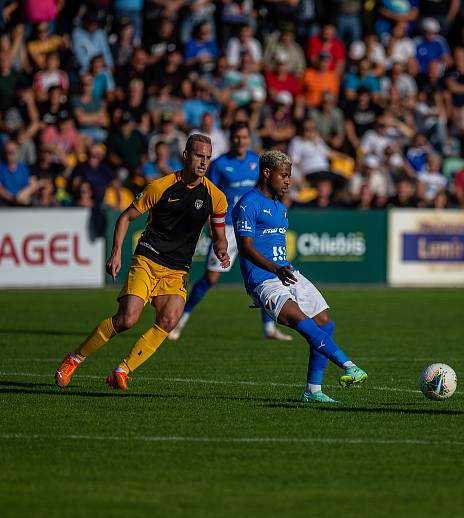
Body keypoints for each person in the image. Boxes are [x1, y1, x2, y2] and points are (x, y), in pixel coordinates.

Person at [54, 134, 229, 390]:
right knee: (127, 319)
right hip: (148, 259)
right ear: (186, 156)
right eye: (199, 156)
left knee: (170, 320)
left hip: (177, 269)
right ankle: (74, 359)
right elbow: (125, 218)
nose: (203, 162)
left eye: (207, 157)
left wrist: (221, 249)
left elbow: (219, 235)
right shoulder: (160, 187)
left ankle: (122, 371)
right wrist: (116, 252)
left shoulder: (216, 197)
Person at [232, 150, 368, 403]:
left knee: (325, 323)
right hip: (266, 280)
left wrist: (282, 270)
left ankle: (312, 391)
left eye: (289, 176)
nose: (288, 181)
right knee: (301, 321)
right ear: (266, 173)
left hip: (288, 273)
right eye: (283, 176)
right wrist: (261, 284)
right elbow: (246, 247)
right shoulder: (247, 203)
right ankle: (349, 365)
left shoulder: (280, 208)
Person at [170, 123, 292, 341]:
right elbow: (207, 192)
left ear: (249, 139)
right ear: (231, 138)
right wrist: (211, 224)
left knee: (267, 276)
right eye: (236, 137)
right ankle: (180, 320)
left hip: (254, 228)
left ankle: (269, 328)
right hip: (227, 226)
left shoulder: (258, 162)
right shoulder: (219, 164)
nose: (240, 141)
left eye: (244, 137)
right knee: (211, 277)